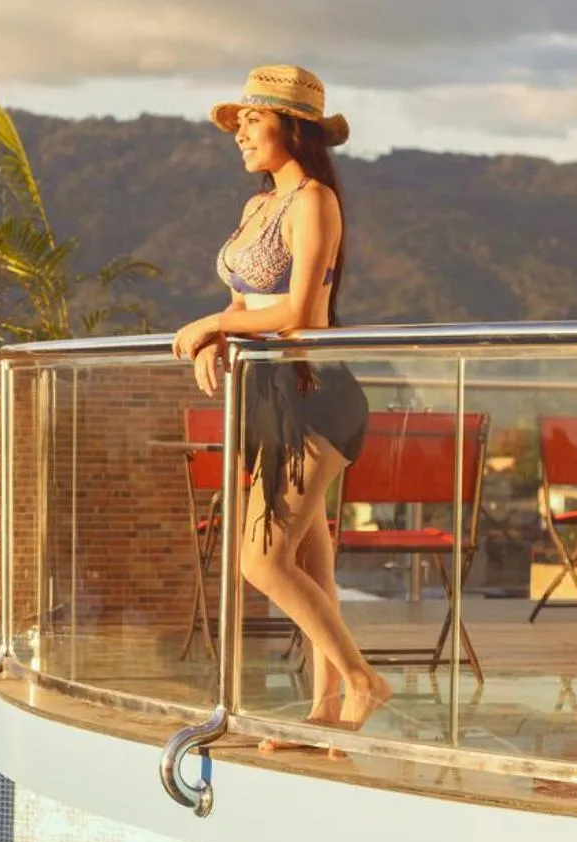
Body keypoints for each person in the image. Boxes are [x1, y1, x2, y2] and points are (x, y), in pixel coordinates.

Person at [171, 65, 391, 753]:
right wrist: (219, 334)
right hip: (264, 394)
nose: (239, 135)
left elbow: (301, 311)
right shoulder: (256, 207)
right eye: (237, 124)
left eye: (252, 122)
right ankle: (323, 713)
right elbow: (248, 306)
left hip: (314, 393)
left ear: (291, 127)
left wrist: (210, 323)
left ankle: (363, 682)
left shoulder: (314, 200)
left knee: (261, 562)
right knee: (310, 566)